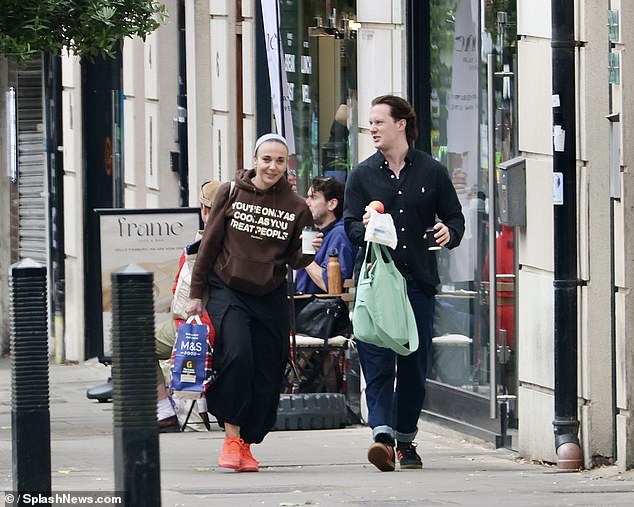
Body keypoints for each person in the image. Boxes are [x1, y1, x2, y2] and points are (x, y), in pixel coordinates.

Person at [343, 95, 465, 471]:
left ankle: (406, 440)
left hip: (417, 282)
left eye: (379, 122)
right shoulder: (362, 175)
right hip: (377, 282)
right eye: (370, 123)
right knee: (376, 360)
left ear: (401, 124)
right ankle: (382, 436)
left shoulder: (432, 171)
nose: (372, 129)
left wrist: (449, 231)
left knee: (413, 367)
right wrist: (363, 227)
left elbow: (455, 219)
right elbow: (347, 226)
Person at [186, 133, 314, 472]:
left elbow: (296, 259)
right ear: (255, 160)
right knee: (238, 356)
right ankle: (231, 438)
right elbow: (209, 246)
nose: (272, 167)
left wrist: (309, 247)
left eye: (280, 161)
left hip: (269, 293)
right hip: (228, 289)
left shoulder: (297, 206)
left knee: (268, 369)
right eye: (267, 159)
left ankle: (245, 441)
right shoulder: (230, 192)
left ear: (288, 166)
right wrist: (196, 295)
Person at [155, 180, 221, 432]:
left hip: (196, 328)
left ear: (204, 210)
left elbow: (183, 297)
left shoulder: (201, 246)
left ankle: (163, 412)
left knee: (133, 340)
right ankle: (192, 405)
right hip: (228, 325)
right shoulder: (240, 243)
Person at [295, 176, 355, 294]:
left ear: (332, 204)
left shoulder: (339, 234)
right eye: (308, 197)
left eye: (313, 197)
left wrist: (304, 257)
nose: (307, 202)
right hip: (305, 306)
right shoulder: (320, 233)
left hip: (321, 309)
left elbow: (330, 284)